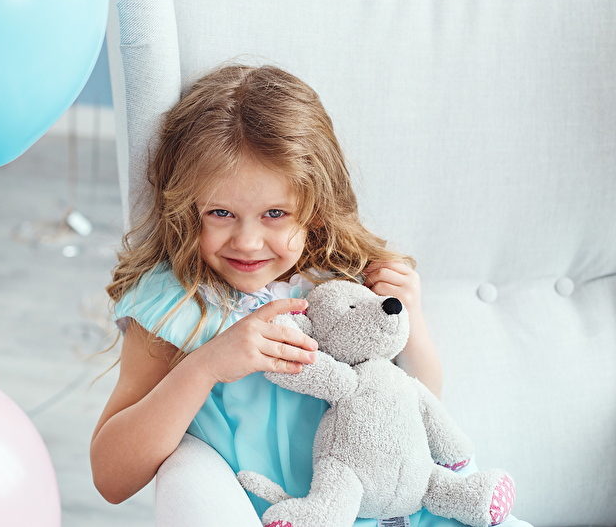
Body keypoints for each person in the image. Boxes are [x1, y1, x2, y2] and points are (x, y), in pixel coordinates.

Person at [90, 64, 521, 527]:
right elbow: (112, 477)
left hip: (415, 508)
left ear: (315, 208)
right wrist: (206, 365)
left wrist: (410, 318)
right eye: (221, 213)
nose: (247, 242)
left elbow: (416, 400)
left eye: (275, 213)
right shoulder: (176, 305)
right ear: (186, 208)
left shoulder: (345, 280)